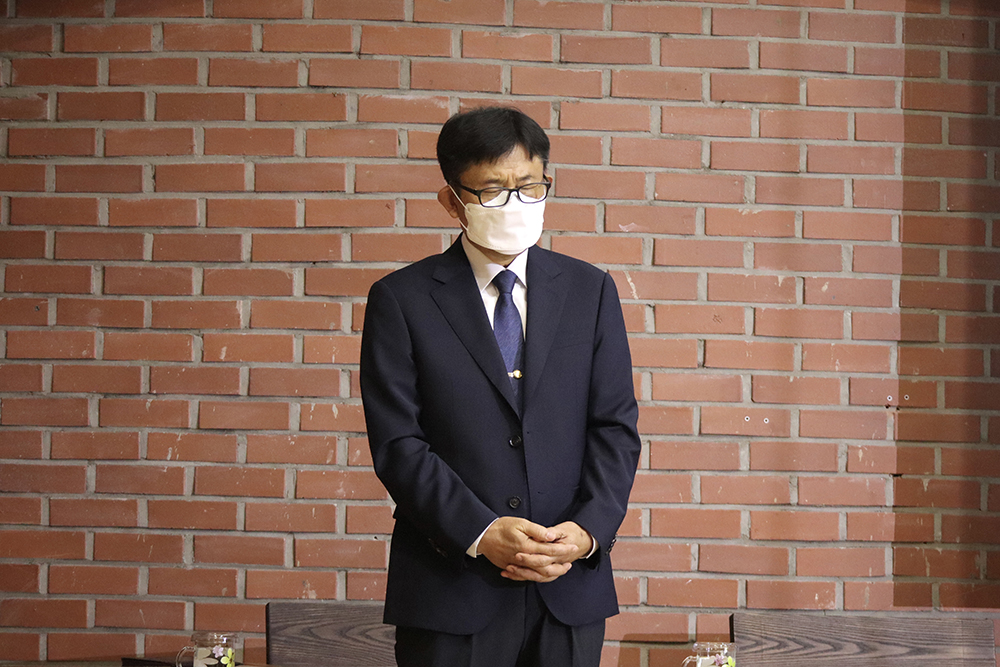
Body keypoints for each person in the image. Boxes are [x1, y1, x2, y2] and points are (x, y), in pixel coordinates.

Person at [359, 106, 641, 667]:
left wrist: (586, 532)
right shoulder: (401, 300)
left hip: (568, 588)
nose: (515, 203)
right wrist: (482, 531)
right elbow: (398, 444)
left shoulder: (590, 291)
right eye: (492, 190)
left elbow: (615, 427)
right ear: (452, 201)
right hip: (451, 587)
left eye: (529, 186)